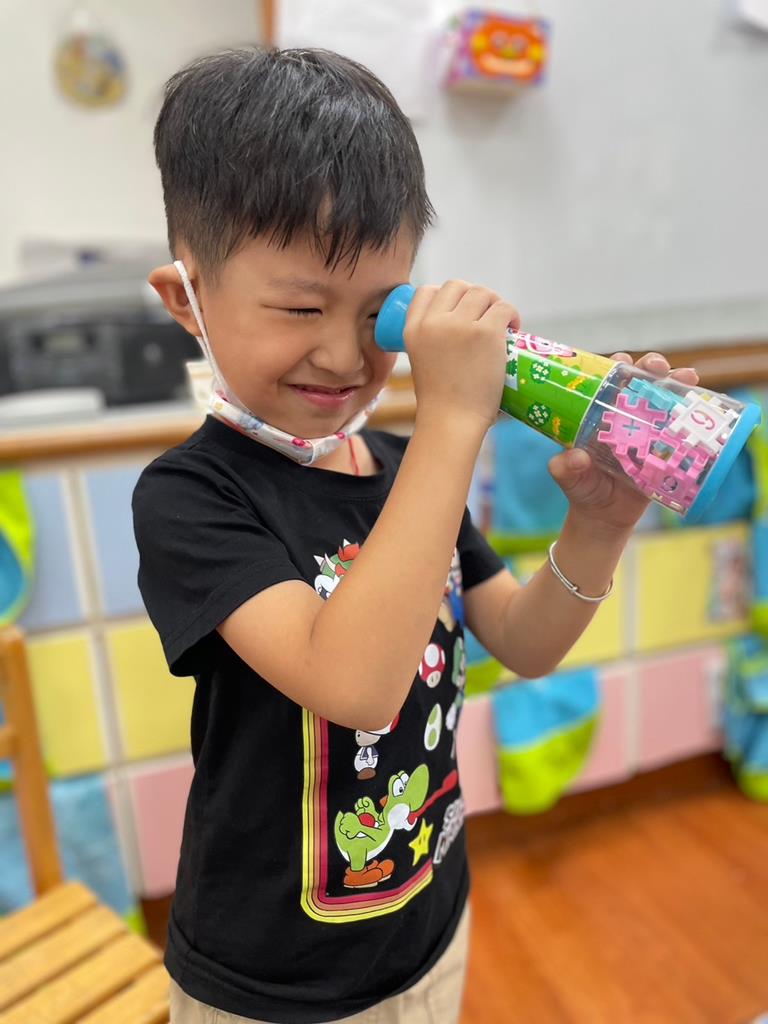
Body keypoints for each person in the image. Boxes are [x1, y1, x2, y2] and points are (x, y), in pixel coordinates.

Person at [133, 46, 697, 1024]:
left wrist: (599, 524)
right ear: (188, 297)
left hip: (429, 921)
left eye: (380, 312)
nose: (344, 354)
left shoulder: (401, 468)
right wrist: (453, 420)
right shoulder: (192, 497)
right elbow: (354, 685)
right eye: (300, 307)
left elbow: (521, 639)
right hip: (271, 985)